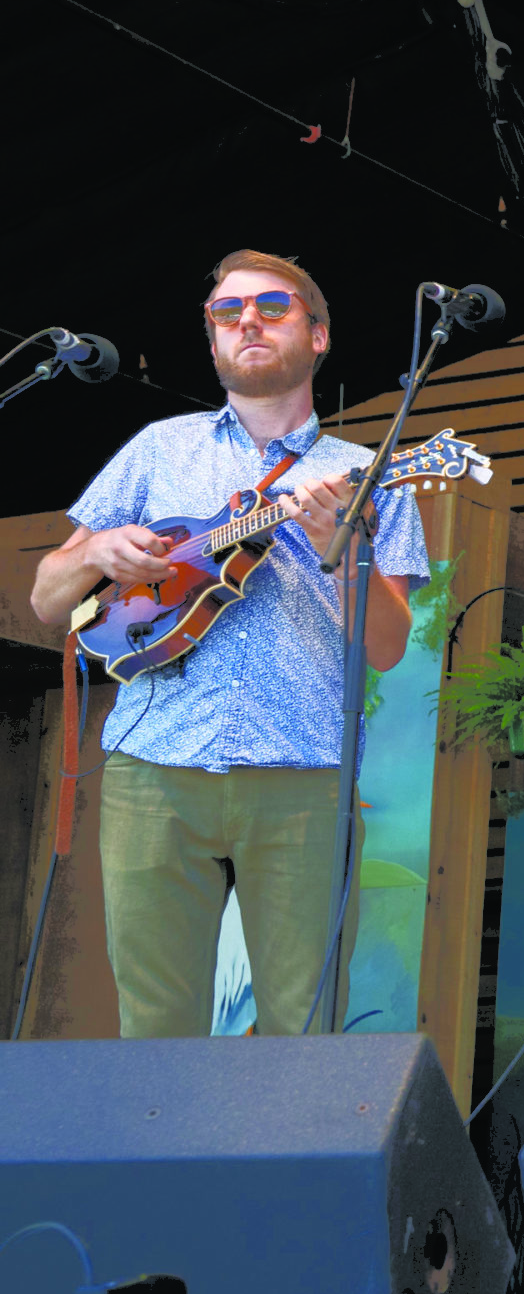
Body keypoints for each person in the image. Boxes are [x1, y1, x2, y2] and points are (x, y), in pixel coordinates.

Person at [30, 250, 426, 1037]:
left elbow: (386, 647)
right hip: (156, 765)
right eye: (227, 312)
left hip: (303, 770)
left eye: (273, 307)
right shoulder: (157, 448)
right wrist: (95, 553)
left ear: (317, 337)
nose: (247, 320)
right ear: (212, 342)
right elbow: (47, 598)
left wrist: (340, 546)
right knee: (154, 1029)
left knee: (301, 1031)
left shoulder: (367, 472)